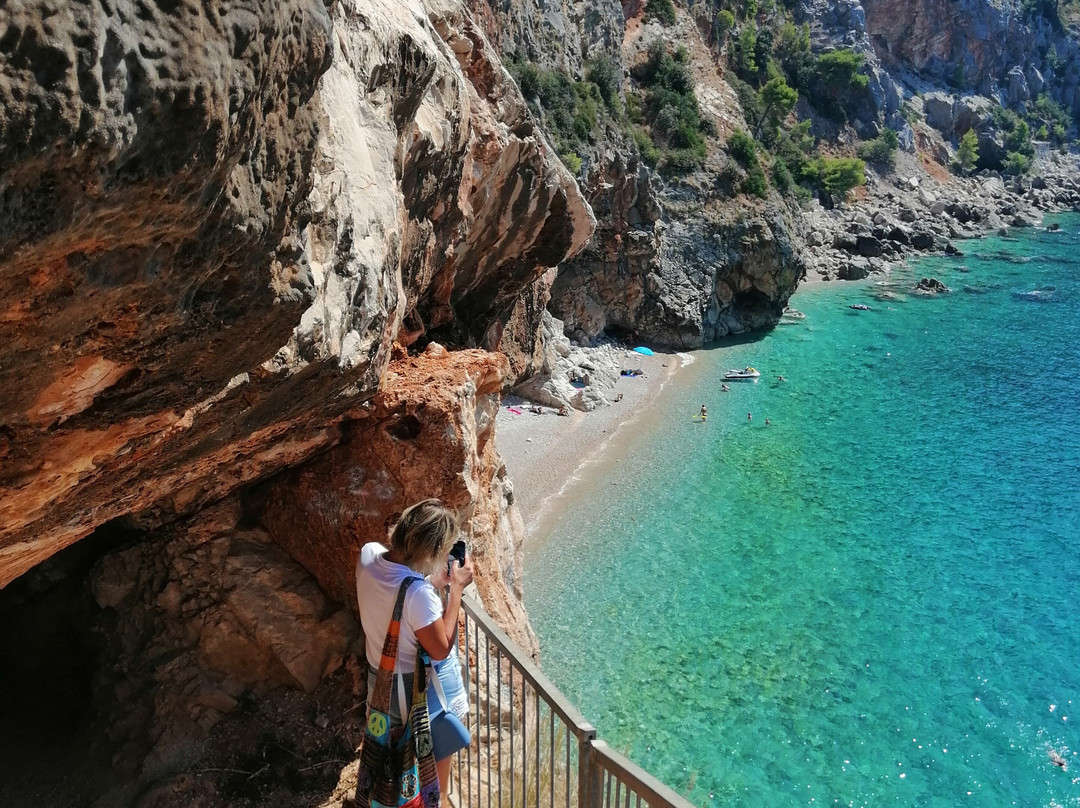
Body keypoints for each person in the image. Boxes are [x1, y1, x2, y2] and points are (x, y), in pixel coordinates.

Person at [356, 499, 474, 804]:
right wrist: (456, 590)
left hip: (378, 683)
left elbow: (394, 584)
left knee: (389, 766)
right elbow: (440, 649)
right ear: (431, 552)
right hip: (411, 697)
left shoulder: (368, 555)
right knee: (431, 785)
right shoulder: (418, 595)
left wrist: (434, 580)